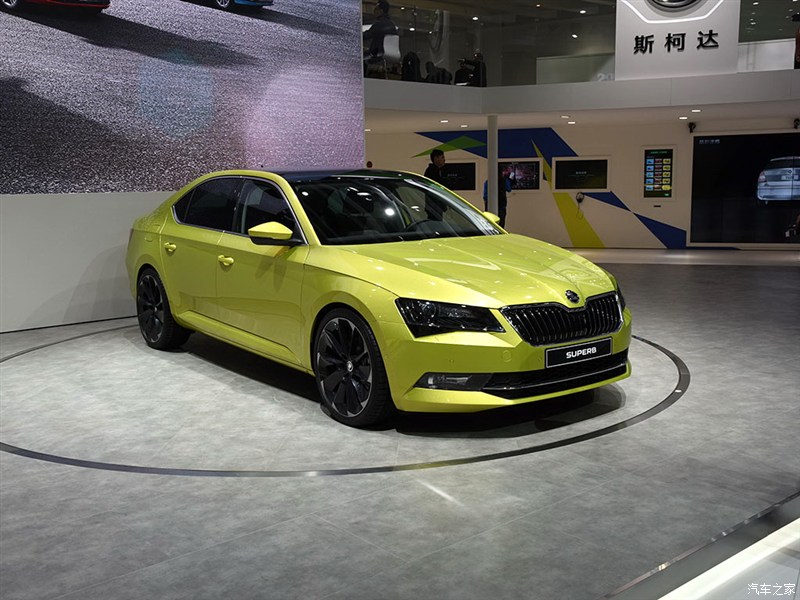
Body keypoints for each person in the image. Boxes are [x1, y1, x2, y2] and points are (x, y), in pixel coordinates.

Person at [363, 0, 398, 73]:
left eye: (375, 9)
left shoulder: (380, 24)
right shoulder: (392, 24)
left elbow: (367, 35)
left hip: (377, 54)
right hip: (385, 54)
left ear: (381, 11)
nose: (374, 11)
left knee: (358, 56)